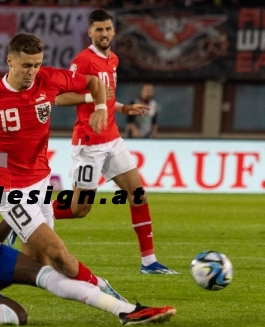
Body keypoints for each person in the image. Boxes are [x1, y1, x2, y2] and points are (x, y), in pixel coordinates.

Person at [0, 44, 177, 326]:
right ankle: (124, 308)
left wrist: (18, 216)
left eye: (36, 64)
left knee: (18, 313)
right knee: (55, 262)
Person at [0, 32, 129, 297]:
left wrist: (101, 109)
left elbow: (94, 82)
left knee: (41, 266)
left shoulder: (49, 79)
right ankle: (108, 294)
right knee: (59, 255)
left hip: (40, 181)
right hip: (7, 188)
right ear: (10, 61)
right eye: (26, 65)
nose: (32, 72)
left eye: (37, 64)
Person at [54, 9, 177, 274]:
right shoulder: (83, 61)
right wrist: (91, 97)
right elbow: (59, 98)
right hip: (89, 143)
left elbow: (107, 98)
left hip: (113, 139)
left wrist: (122, 108)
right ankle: (29, 218)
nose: (104, 33)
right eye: (99, 29)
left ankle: (149, 262)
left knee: (138, 195)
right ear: (90, 32)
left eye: (108, 29)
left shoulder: (113, 59)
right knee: (79, 209)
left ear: (113, 30)